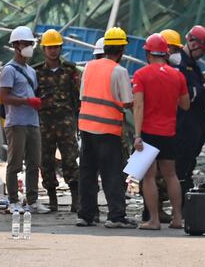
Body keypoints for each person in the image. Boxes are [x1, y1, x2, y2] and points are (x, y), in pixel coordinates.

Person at [77, 27, 136, 229]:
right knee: (112, 173)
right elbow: (127, 102)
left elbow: (82, 95)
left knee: (87, 172)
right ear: (121, 50)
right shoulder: (119, 71)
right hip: (108, 130)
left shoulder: (89, 67)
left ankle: (86, 215)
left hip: (86, 127)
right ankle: (116, 216)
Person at [132, 33, 190, 232]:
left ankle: (154, 220)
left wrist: (137, 135)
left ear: (148, 53)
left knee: (149, 177)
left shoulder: (141, 74)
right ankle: (177, 218)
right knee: (171, 175)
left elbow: (138, 106)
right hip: (169, 132)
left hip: (148, 132)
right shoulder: (178, 75)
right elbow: (185, 104)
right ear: (165, 53)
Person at [0, 26, 45, 212]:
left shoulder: (31, 71)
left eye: (31, 44)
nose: (29, 47)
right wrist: (27, 101)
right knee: (15, 164)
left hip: (32, 122)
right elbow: (4, 97)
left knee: (34, 163)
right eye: (26, 44)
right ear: (16, 45)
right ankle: (13, 201)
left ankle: (32, 201)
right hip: (16, 123)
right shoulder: (9, 70)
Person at [35, 28, 80, 213]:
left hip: (66, 121)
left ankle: (76, 199)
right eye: (50, 47)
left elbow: (77, 96)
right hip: (45, 122)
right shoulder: (36, 72)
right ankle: (52, 199)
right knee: (46, 161)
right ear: (43, 49)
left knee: (70, 159)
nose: (53, 51)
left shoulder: (70, 70)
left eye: (56, 47)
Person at [173, 24, 205, 197]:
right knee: (180, 167)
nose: (202, 55)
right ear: (193, 43)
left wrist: (202, 78)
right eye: (202, 51)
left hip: (195, 124)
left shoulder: (191, 64)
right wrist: (202, 89)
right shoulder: (180, 64)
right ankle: (179, 205)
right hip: (185, 124)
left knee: (188, 165)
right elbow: (182, 94)